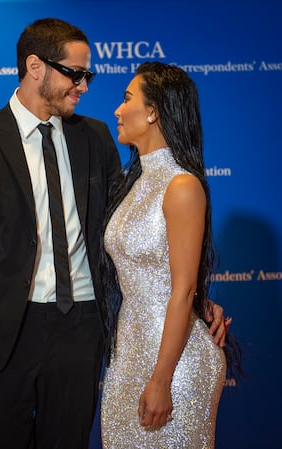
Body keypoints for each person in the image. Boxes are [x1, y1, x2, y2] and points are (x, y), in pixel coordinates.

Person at [0, 19, 228, 449]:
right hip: (4, 337)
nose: (85, 86)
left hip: (82, 330)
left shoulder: (94, 137)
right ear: (35, 67)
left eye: (87, 75)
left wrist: (193, 297)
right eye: (75, 74)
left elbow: (132, 229)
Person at [100, 62, 227, 448]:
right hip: (128, 357)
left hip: (174, 366)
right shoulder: (133, 183)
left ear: (153, 111)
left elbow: (183, 288)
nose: (118, 110)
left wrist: (161, 378)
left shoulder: (182, 186)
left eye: (126, 99)